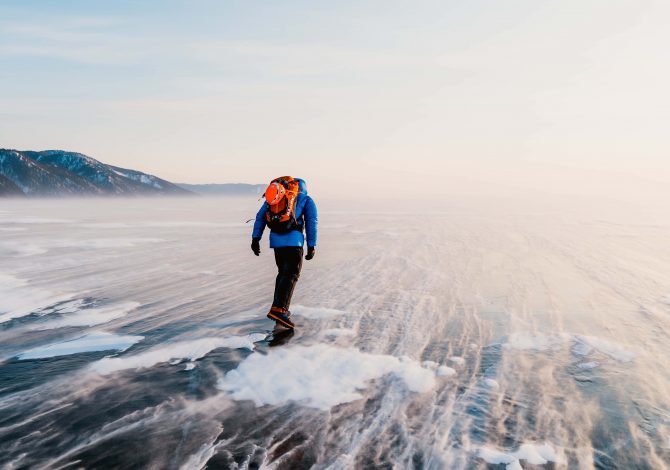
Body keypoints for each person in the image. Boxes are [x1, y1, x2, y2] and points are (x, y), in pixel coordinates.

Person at [251, 177, 317, 329]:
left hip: (276, 242)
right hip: (294, 242)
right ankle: (280, 310)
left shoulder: (275, 198)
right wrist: (311, 245)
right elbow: (312, 222)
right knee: (292, 274)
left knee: (283, 274)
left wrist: (256, 238)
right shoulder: (305, 199)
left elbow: (260, 217)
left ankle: (279, 308)